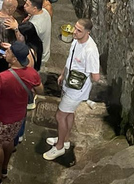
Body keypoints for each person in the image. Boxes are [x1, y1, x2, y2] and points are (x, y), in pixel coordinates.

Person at [0, 41, 43, 184]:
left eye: (8, 52)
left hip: (1, 117)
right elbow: (40, 90)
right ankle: (3, 169)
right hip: (18, 116)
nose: (5, 53)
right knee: (8, 141)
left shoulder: (3, 78)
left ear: (14, 59)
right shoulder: (32, 73)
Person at [44, 19, 100, 161]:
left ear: (88, 32)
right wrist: (63, 74)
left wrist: (81, 77)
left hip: (77, 90)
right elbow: (70, 60)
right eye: (75, 28)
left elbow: (96, 77)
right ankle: (65, 139)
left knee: (60, 116)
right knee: (68, 114)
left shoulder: (90, 50)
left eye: (79, 30)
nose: (74, 32)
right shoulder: (76, 40)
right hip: (69, 83)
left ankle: (59, 146)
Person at [23, 0, 51, 66]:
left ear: (34, 9)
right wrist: (30, 16)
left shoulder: (35, 25)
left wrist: (15, 27)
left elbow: (24, 38)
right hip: (45, 50)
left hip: (38, 55)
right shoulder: (44, 11)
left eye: (27, 5)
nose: (24, 6)